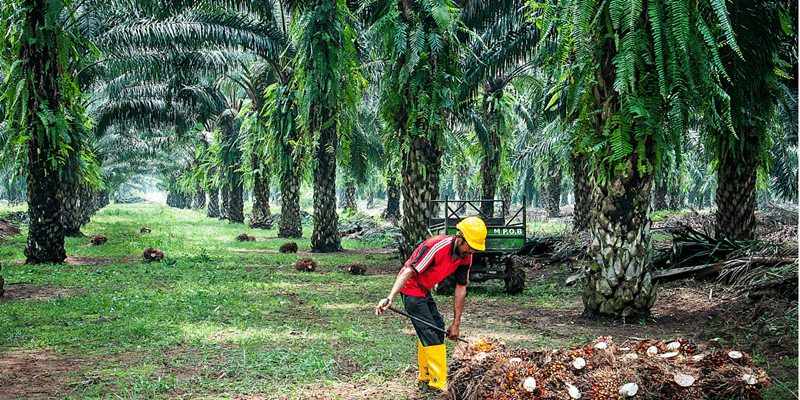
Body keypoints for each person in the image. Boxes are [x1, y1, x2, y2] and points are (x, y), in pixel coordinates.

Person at [375, 216, 487, 391]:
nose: (471, 251)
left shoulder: (465, 256)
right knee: (431, 333)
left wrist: (456, 323)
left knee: (438, 326)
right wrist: (390, 297)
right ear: (459, 238)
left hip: (423, 290)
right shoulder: (436, 246)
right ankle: (439, 383)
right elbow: (407, 271)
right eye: (469, 246)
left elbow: (461, 288)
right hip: (411, 289)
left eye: (474, 249)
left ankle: (426, 375)